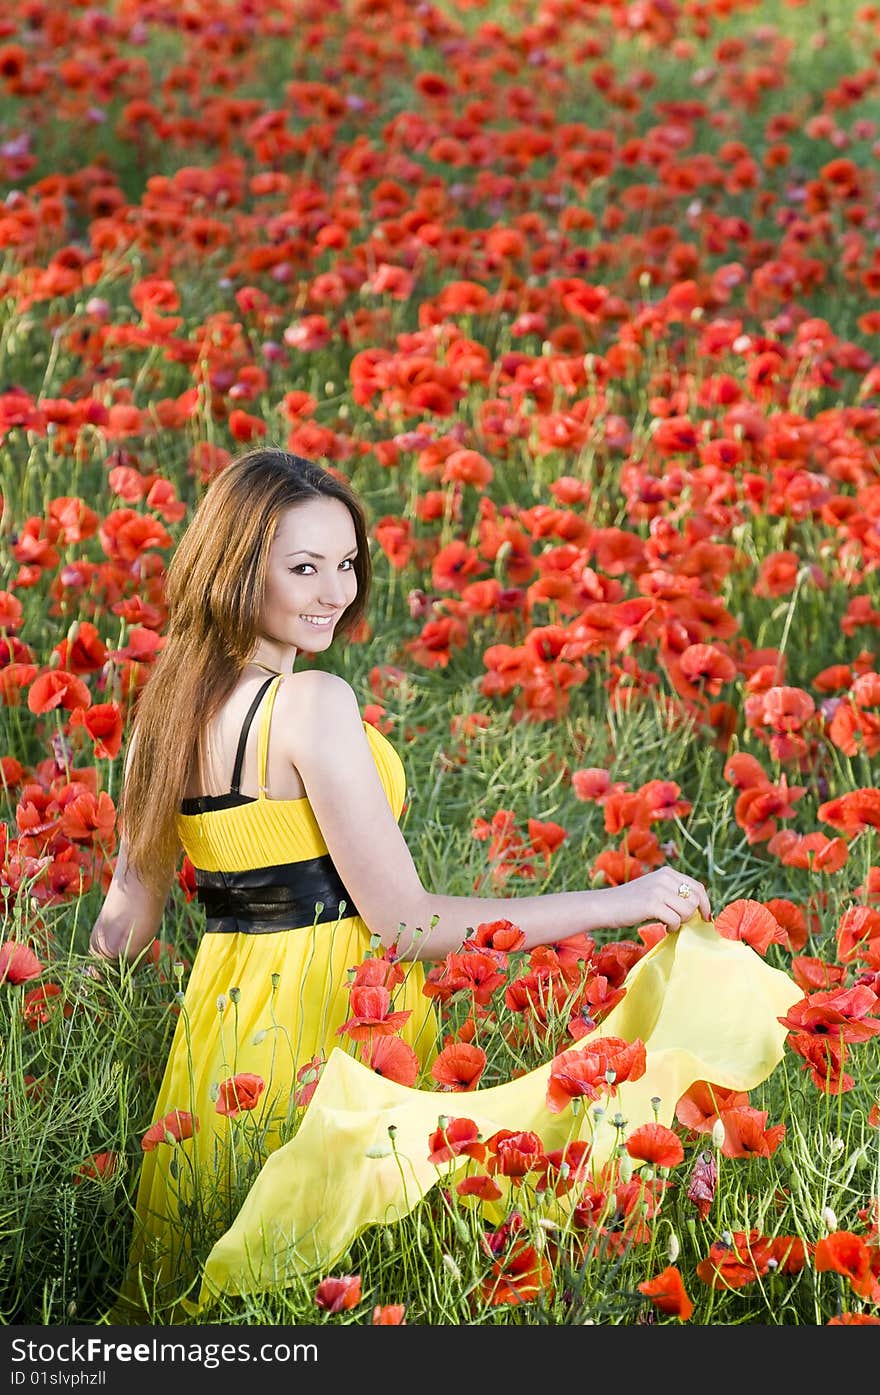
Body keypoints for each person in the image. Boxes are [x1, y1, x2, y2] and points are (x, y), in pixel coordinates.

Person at [90, 447, 800, 1321]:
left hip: (216, 1042)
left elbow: (122, 926)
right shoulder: (310, 702)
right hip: (335, 1025)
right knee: (344, 1286)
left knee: (215, 1302)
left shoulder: (163, 714)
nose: (333, 591)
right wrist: (621, 900)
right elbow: (406, 925)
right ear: (239, 569)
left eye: (345, 564)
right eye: (303, 566)